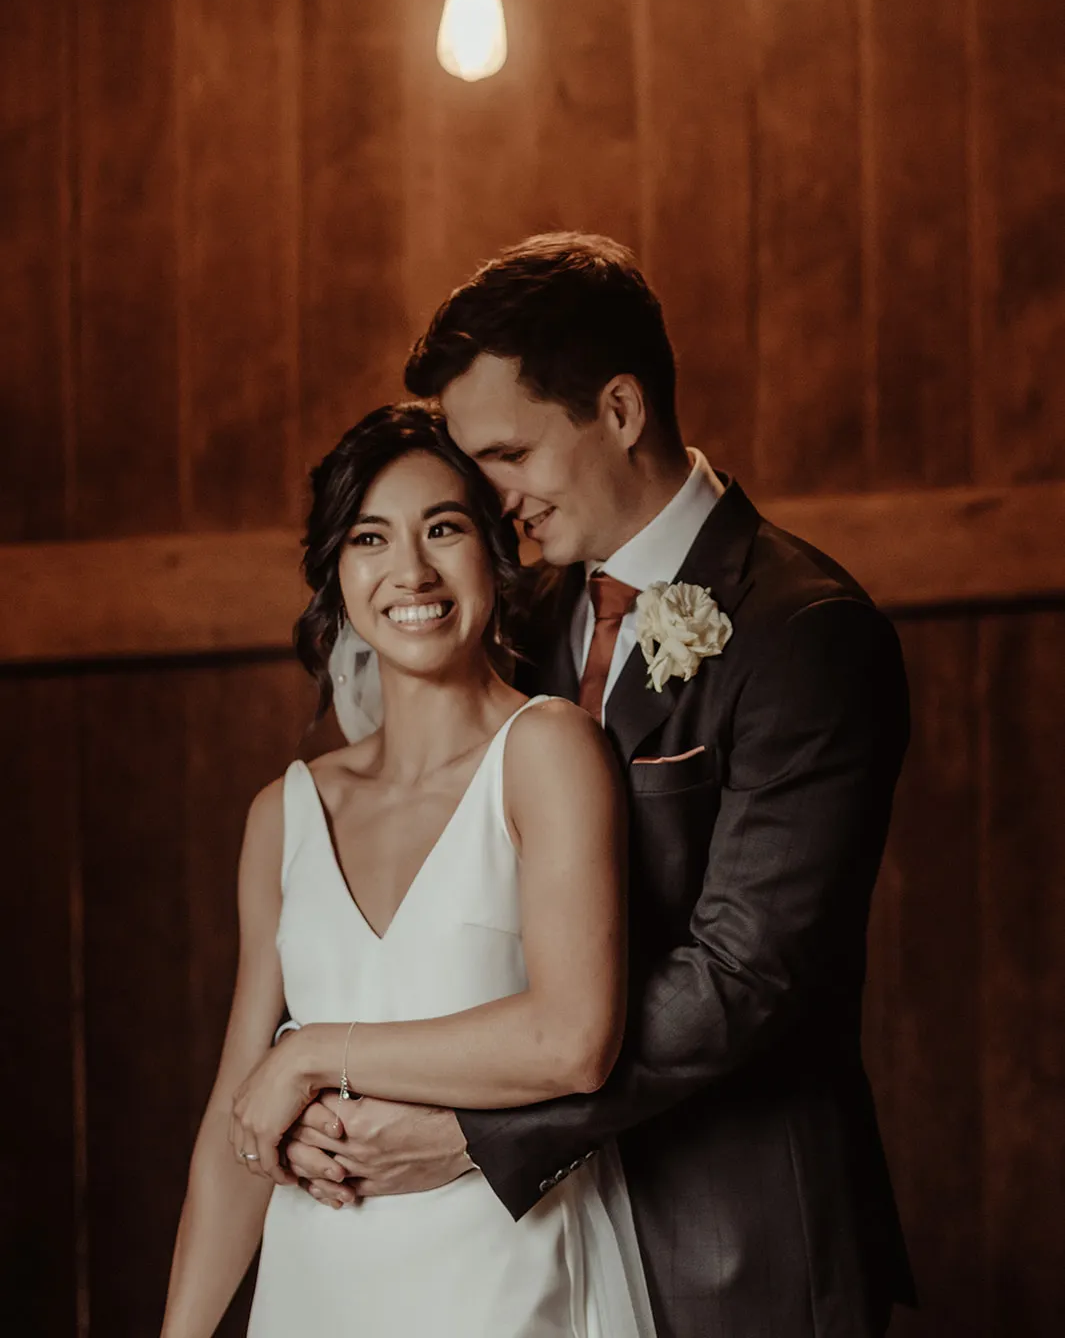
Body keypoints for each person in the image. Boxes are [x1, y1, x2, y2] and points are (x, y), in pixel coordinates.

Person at [289, 232, 917, 1338]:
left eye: (509, 455)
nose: (493, 501)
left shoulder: (806, 632)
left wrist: (479, 1128)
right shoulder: (523, 623)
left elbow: (742, 975)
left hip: (729, 1240)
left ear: (620, 411)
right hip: (530, 1254)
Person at [160, 403, 656, 1338]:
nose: (411, 572)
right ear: (334, 575)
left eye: (444, 528)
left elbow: (572, 1038)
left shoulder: (549, 752)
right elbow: (238, 1127)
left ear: (495, 555)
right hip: (316, 1290)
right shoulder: (285, 813)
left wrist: (308, 1052)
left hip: (504, 1283)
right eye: (370, 538)